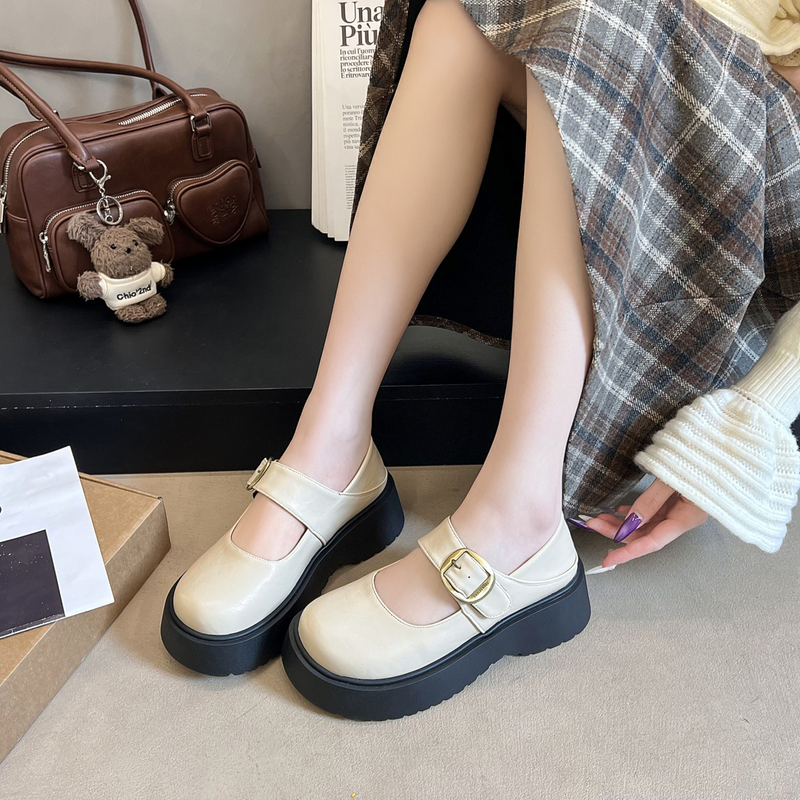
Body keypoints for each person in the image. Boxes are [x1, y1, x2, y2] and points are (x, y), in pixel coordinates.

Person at [160, 0, 800, 718]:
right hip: (651, 58)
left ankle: (519, 520)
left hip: (756, 156)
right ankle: (329, 445)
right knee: (462, 13)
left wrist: (761, 407)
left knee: (606, 20)